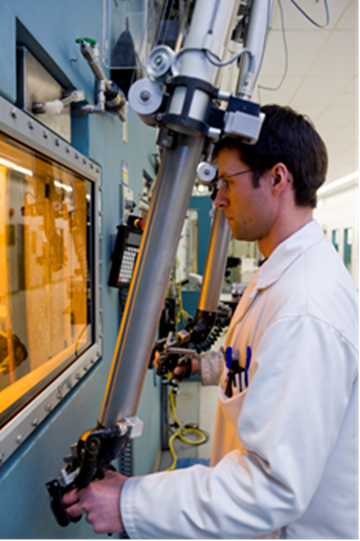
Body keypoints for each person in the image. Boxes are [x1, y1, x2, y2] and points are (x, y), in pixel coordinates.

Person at [63, 105, 359, 540]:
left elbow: (270, 487)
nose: (219, 198)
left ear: (277, 179)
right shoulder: (281, 276)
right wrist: (208, 367)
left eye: (227, 182)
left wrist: (129, 504)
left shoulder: (306, 308)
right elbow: (266, 364)